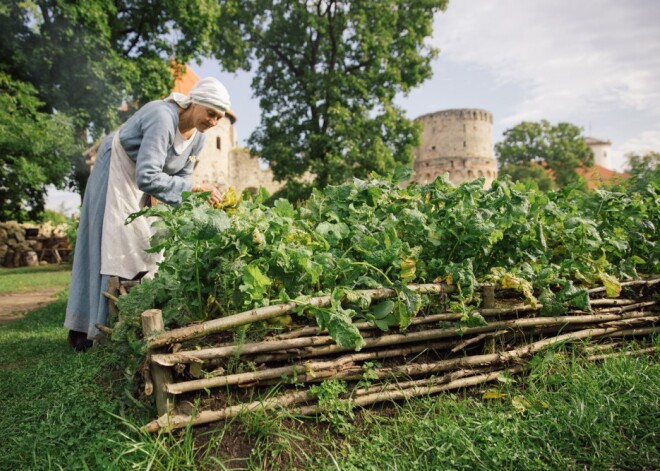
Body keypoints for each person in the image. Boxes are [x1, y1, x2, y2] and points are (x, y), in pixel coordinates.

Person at [65, 77, 234, 351]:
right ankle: (84, 328)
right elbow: (149, 176)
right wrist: (193, 187)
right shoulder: (162, 116)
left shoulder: (198, 140)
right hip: (117, 169)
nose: (214, 121)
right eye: (211, 113)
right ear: (194, 103)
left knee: (150, 243)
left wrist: (189, 206)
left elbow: (181, 179)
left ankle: (130, 321)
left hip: (145, 179)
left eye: (220, 117)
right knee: (106, 241)